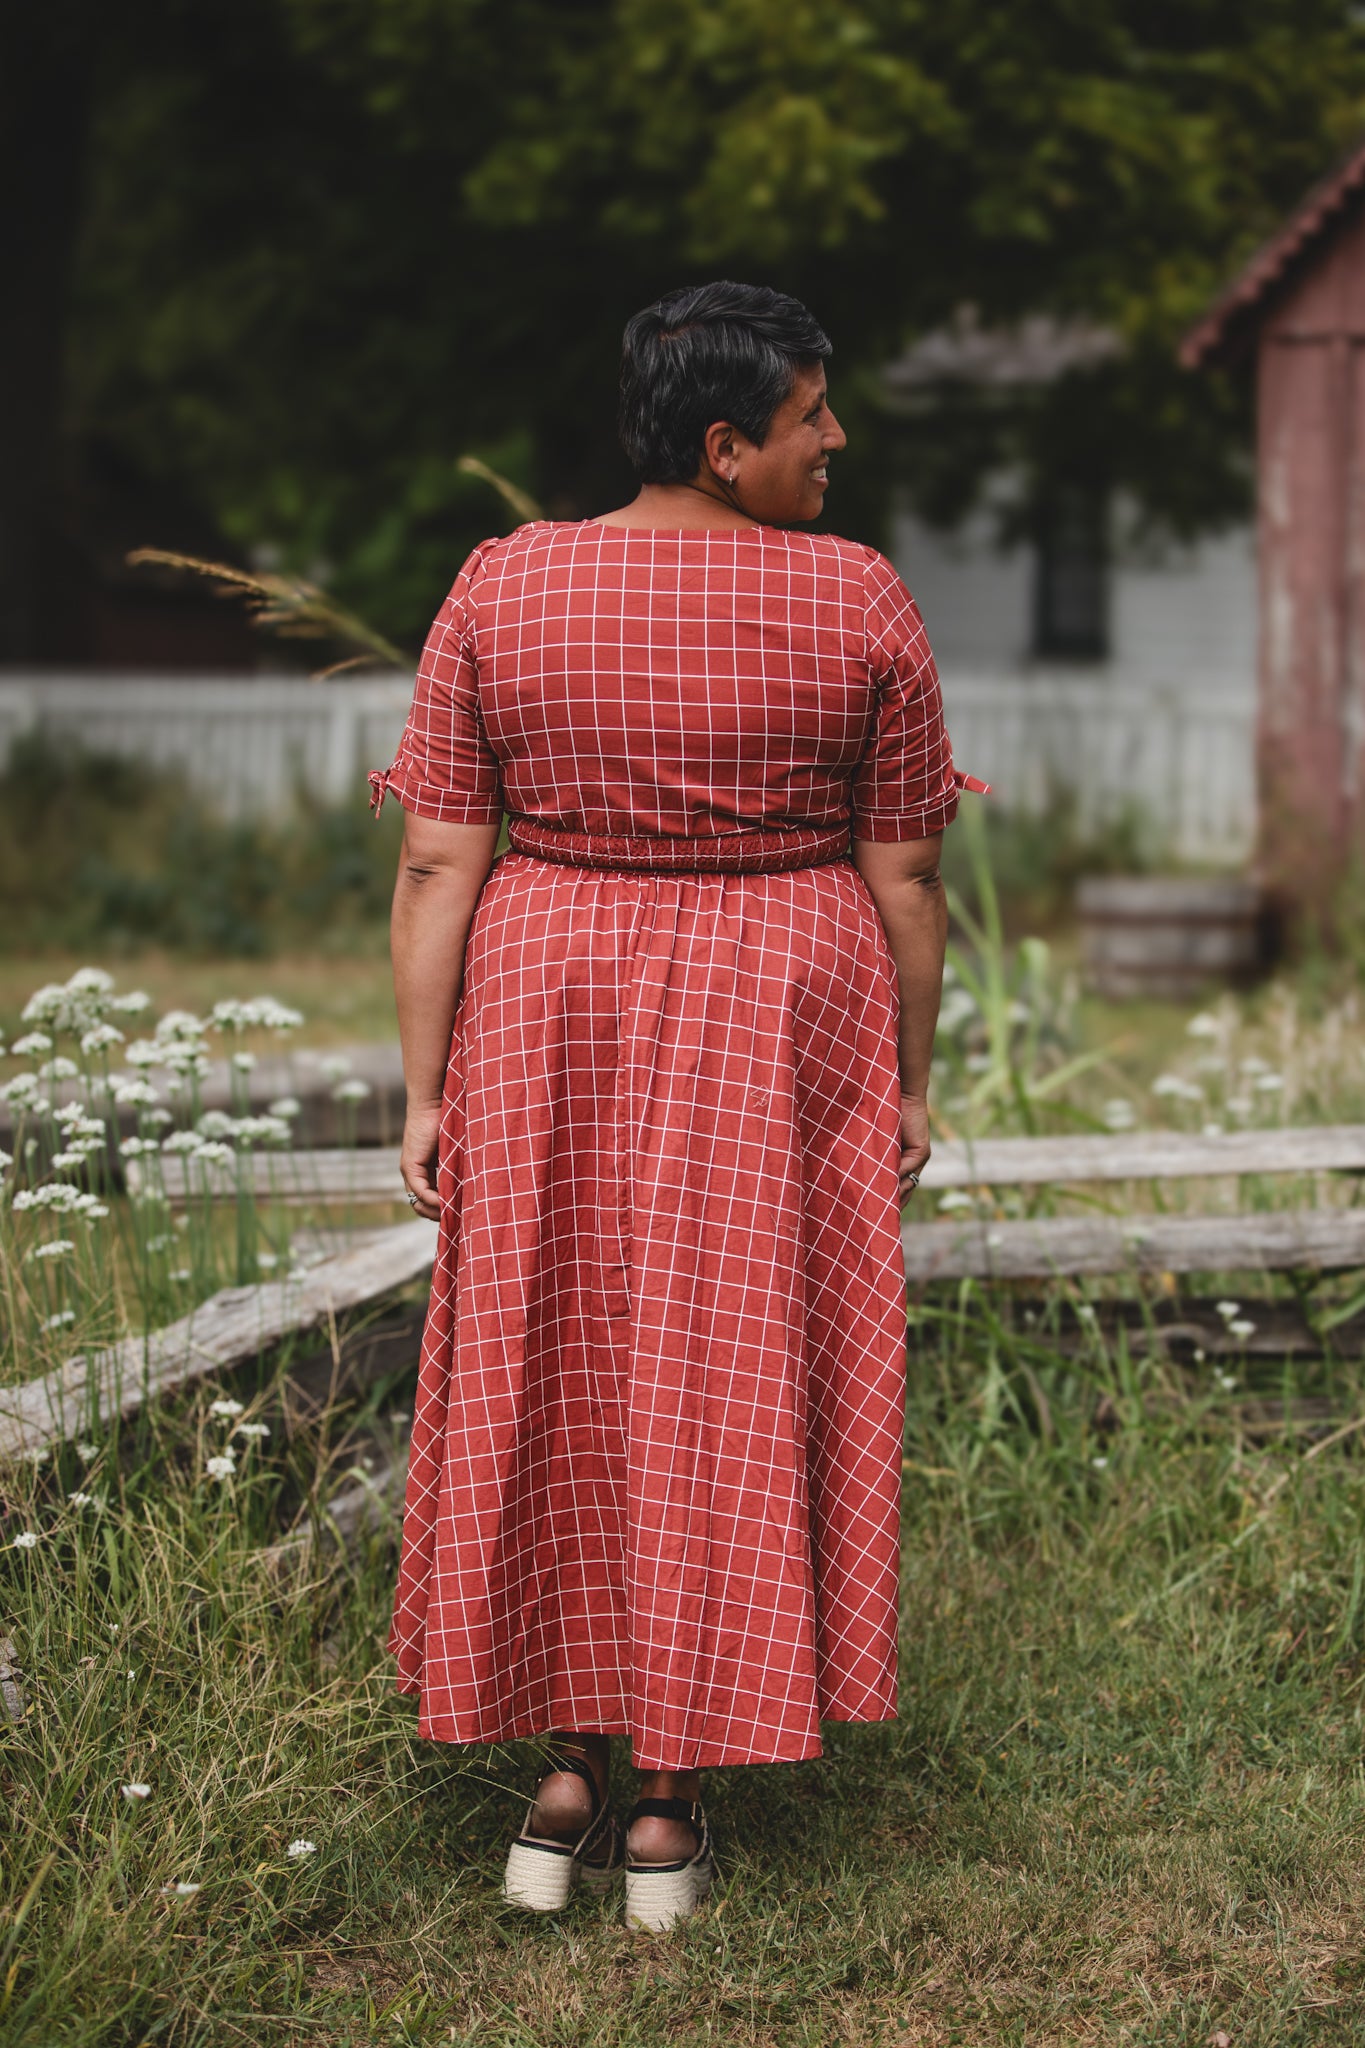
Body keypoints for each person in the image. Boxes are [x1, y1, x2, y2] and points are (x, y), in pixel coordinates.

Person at [371, 280, 975, 1933]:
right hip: (780, 1002)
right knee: (725, 1360)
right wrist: (910, 1077)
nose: (836, 439)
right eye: (809, 417)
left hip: (548, 994)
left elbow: (438, 855)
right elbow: (906, 869)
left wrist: (424, 1090)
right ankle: (668, 1813)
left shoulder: (504, 584)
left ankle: (565, 1777)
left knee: (552, 1342)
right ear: (725, 446)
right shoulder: (856, 601)